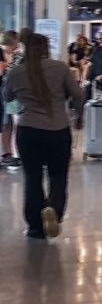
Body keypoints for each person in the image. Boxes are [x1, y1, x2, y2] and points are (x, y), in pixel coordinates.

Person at [2, 31, 85, 239]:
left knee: (32, 178)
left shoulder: (17, 72)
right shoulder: (60, 68)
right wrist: (75, 112)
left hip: (29, 131)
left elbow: (7, 96)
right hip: (58, 130)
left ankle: (35, 227)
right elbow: (79, 96)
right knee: (58, 177)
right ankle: (54, 211)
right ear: (47, 49)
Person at [1, 30, 21, 170]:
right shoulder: (3, 54)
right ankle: (6, 154)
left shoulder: (11, 54)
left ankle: (8, 153)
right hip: (3, 92)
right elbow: (1, 72)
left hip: (6, 91)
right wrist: (8, 65)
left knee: (8, 122)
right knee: (6, 122)